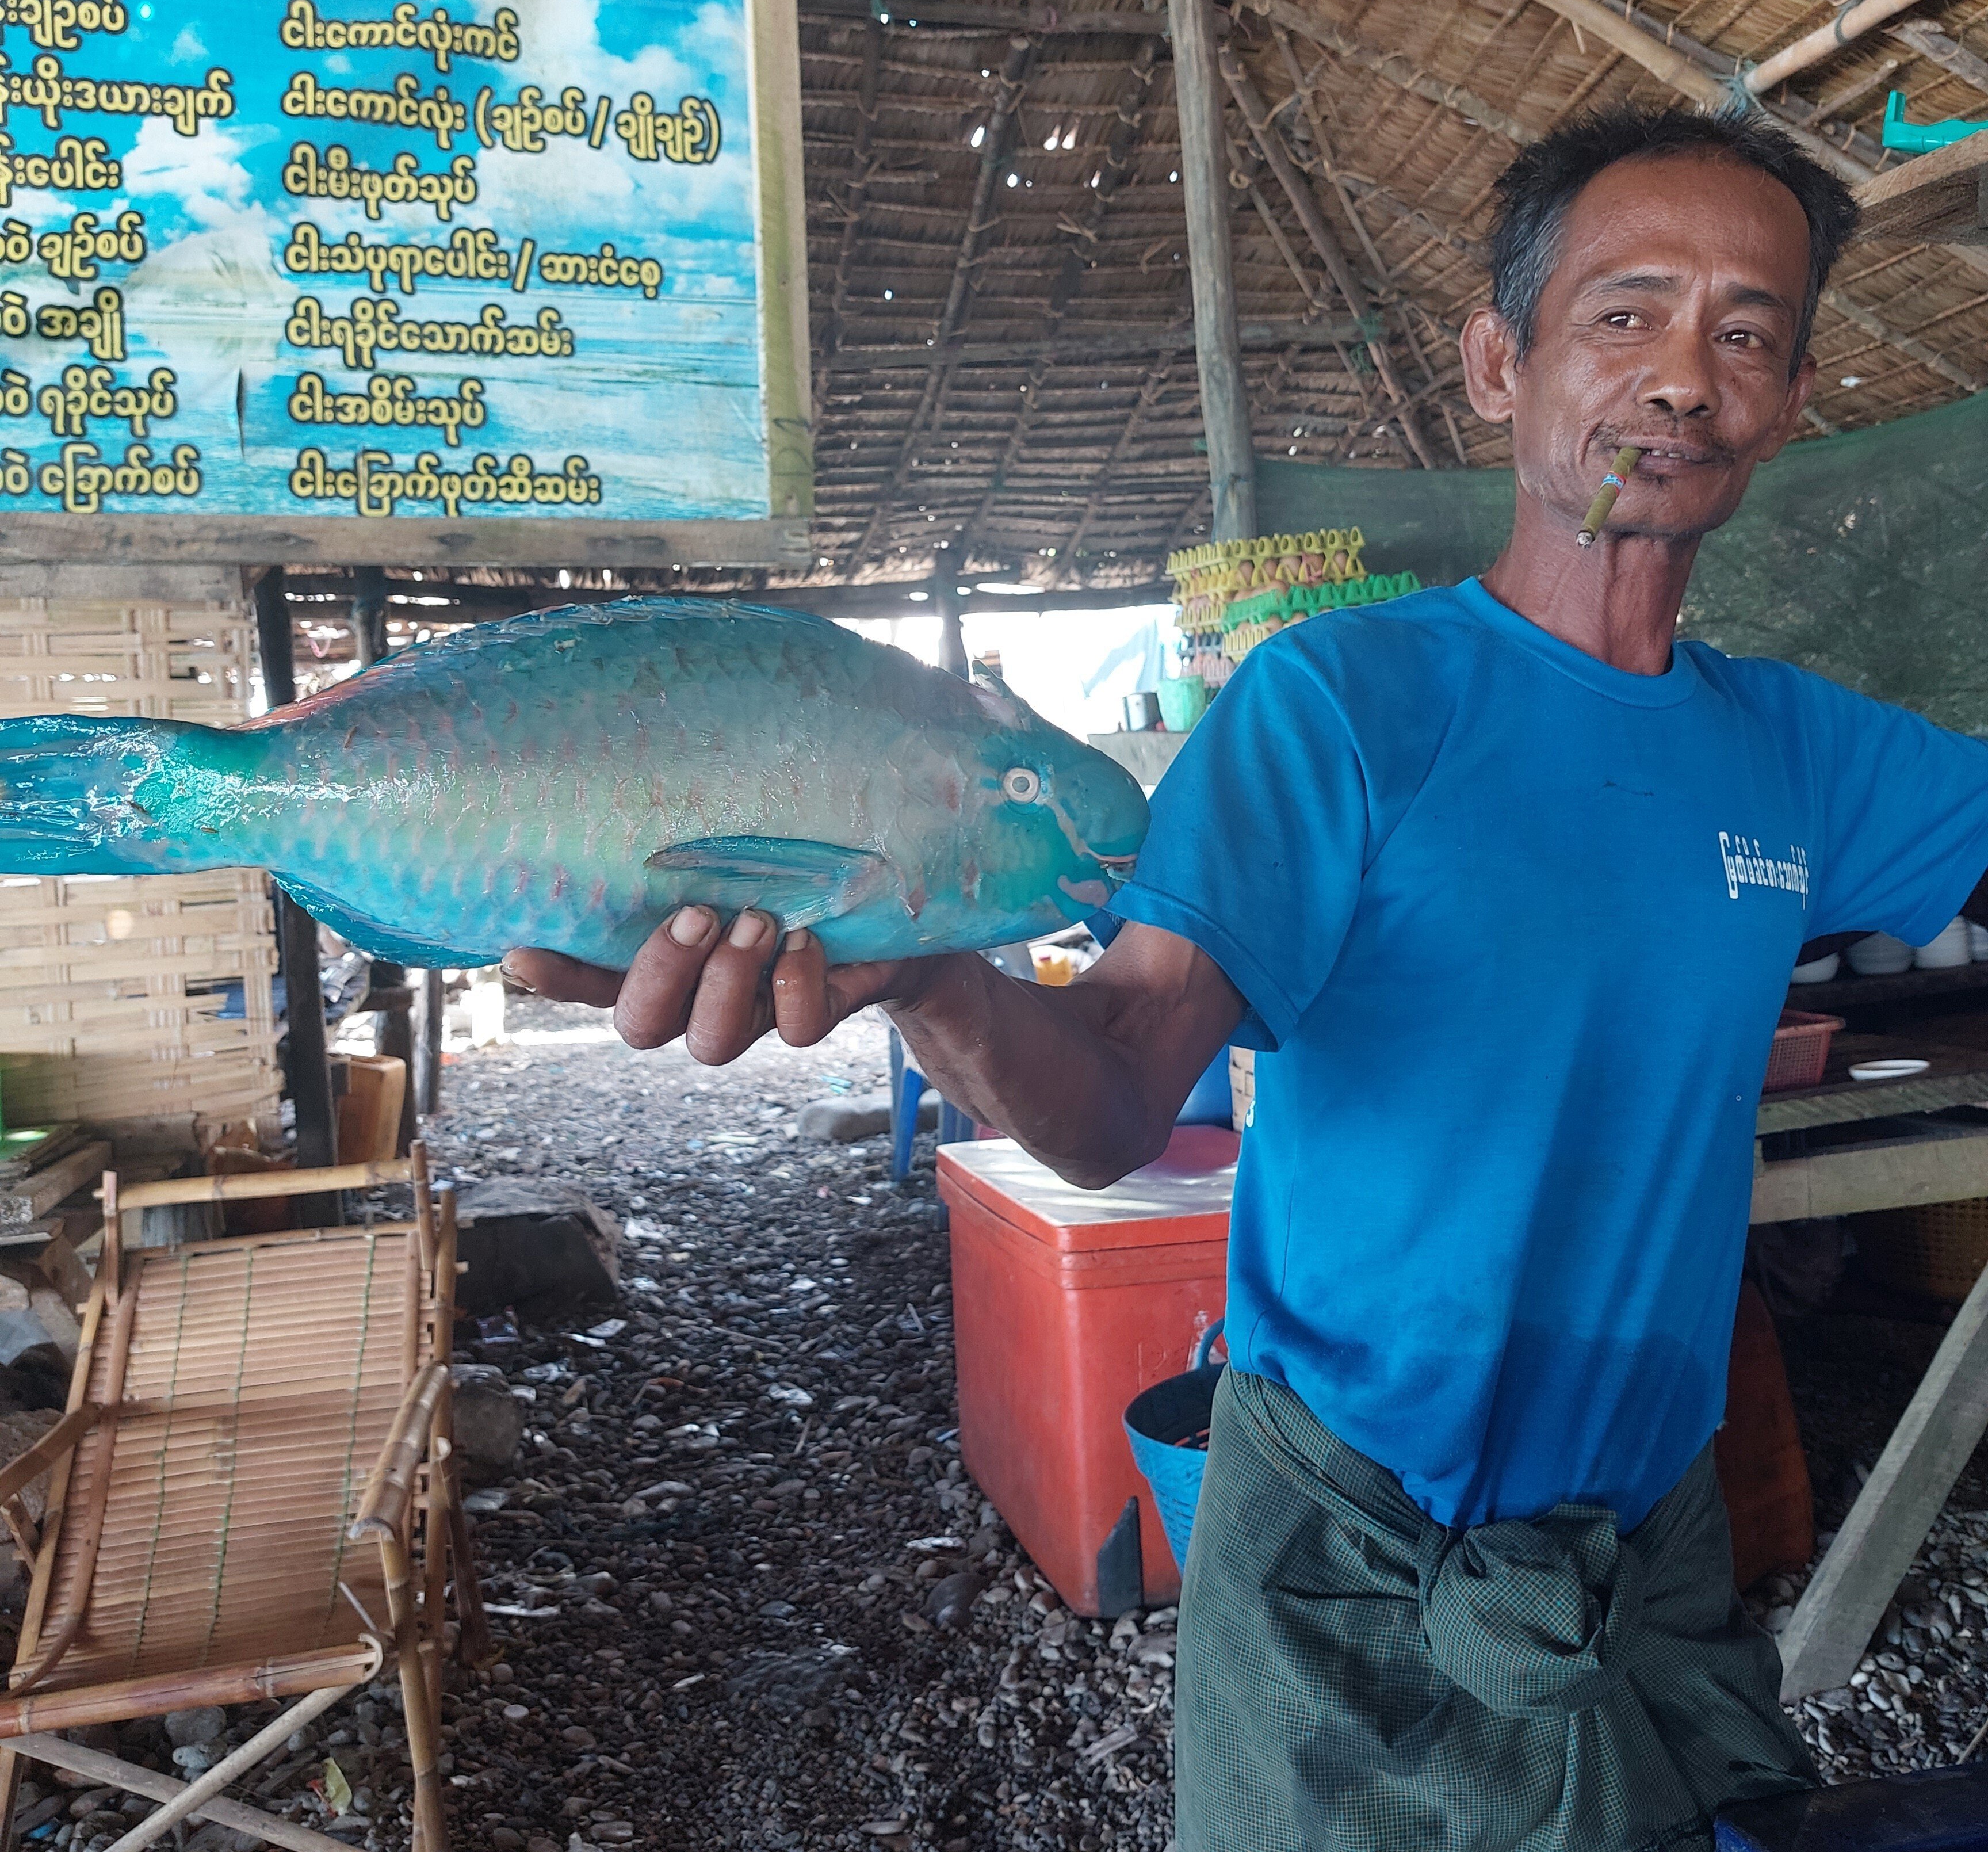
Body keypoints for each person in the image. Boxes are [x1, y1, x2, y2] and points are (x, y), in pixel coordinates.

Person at [507, 105, 1988, 1851]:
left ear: (1789, 398)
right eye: (1625, 314)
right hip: (1351, 1552)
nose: (1681, 377)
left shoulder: (1798, 754)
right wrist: (936, 983)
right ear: (1499, 364)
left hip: (1643, 1542)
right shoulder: (1346, 708)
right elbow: (1120, 1087)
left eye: (1744, 335)